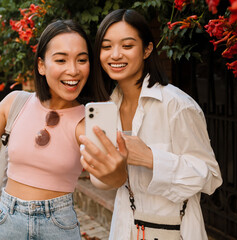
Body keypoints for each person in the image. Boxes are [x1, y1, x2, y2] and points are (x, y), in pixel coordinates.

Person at [0, 19, 109, 240]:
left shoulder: (87, 122)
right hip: (7, 220)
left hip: (58, 225)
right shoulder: (16, 103)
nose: (73, 70)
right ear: (41, 66)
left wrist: (114, 167)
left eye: (82, 60)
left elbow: (104, 181)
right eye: (61, 60)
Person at [79, 9, 223, 240]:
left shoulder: (177, 105)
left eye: (127, 46)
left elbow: (210, 178)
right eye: (106, 47)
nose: (115, 55)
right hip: (124, 227)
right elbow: (112, 182)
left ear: (147, 49)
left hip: (174, 230)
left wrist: (150, 158)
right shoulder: (107, 109)